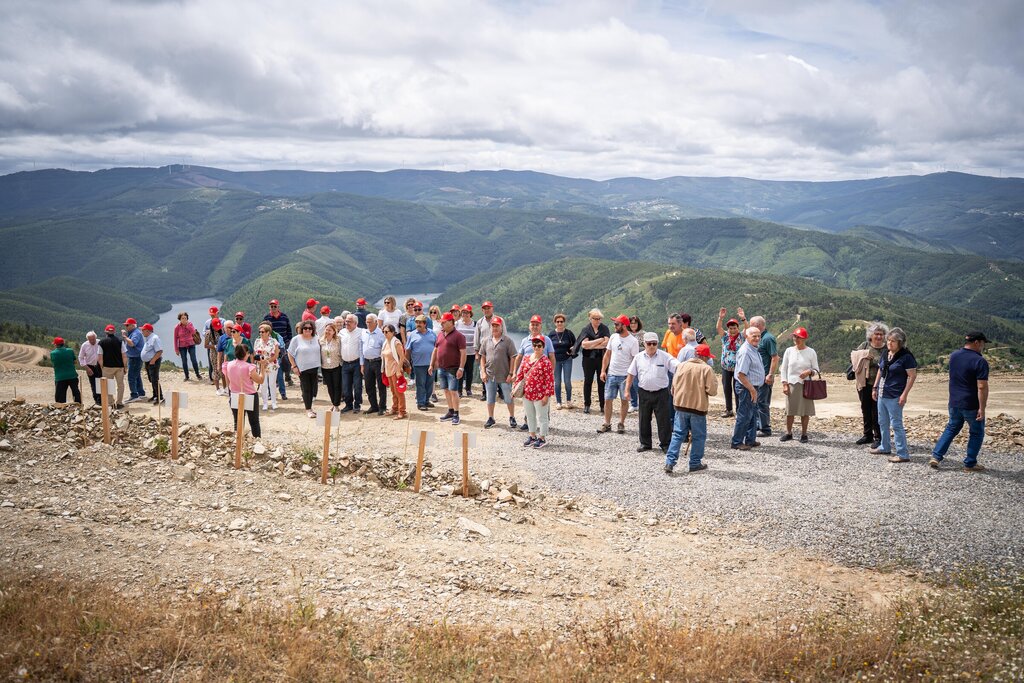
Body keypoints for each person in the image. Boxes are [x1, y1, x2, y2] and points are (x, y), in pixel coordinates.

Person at [930, 331, 990, 471]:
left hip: (954, 402)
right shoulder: (980, 361)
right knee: (976, 433)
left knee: (951, 428)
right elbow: (981, 386)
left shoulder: (954, 356)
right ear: (977, 342)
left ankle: (936, 456)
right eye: (983, 343)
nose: (983, 346)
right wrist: (982, 408)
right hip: (971, 404)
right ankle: (970, 464)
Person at [666, 343, 718, 473]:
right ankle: (694, 463)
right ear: (704, 357)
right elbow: (712, 391)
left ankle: (669, 462)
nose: (708, 360)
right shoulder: (706, 369)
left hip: (680, 406)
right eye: (708, 357)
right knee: (699, 436)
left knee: (678, 435)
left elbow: (673, 388)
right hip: (697, 408)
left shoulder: (681, 366)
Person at [625, 331, 679, 453]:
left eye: (654, 343)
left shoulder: (665, 356)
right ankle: (645, 443)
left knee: (663, 420)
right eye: (649, 343)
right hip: (644, 392)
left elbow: (676, 366)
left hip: (661, 393)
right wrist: (627, 390)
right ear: (644, 344)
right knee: (644, 419)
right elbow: (631, 373)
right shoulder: (638, 357)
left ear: (657, 344)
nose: (652, 346)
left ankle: (665, 444)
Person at [871, 327, 917, 463]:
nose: (889, 343)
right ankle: (884, 446)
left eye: (893, 341)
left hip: (895, 395)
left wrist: (904, 395)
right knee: (882, 422)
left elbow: (912, 376)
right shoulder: (886, 353)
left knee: (896, 425)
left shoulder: (906, 357)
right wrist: (875, 387)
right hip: (882, 393)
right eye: (889, 340)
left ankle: (902, 454)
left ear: (900, 343)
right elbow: (880, 370)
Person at [512, 315, 556, 430]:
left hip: (541, 378)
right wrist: (515, 372)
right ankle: (528, 423)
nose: (535, 327)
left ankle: (544, 425)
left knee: (542, 403)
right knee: (528, 401)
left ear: (541, 326)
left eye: (537, 324)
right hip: (527, 378)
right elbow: (519, 357)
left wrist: (551, 373)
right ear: (529, 326)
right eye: (533, 324)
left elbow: (552, 356)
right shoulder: (524, 341)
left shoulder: (547, 340)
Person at [598, 315, 639, 435]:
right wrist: (603, 370)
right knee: (607, 400)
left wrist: (631, 377)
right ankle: (607, 423)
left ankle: (621, 423)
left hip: (625, 376)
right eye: (614, 324)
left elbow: (635, 361)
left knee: (624, 401)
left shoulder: (633, 341)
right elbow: (607, 355)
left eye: (617, 324)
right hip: (611, 374)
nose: (614, 326)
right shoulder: (613, 337)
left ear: (624, 326)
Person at [779, 327, 820, 443]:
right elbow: (783, 369)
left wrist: (809, 371)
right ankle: (788, 433)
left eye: (799, 337)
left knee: (805, 411)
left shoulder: (811, 352)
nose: (796, 339)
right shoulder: (789, 351)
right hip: (791, 384)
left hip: (806, 385)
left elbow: (816, 370)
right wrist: (784, 384)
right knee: (789, 411)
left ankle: (804, 434)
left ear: (804, 338)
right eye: (795, 337)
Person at [850, 323, 888, 447]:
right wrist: (864, 356)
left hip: (881, 384)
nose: (879, 336)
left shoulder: (887, 349)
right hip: (864, 383)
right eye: (876, 334)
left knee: (877, 411)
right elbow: (853, 358)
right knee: (865, 409)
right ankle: (867, 435)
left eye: (881, 334)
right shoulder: (864, 345)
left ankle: (878, 437)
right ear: (871, 335)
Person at [514, 336, 555, 448]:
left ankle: (542, 438)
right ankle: (532, 436)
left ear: (543, 347)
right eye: (534, 345)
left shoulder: (546, 362)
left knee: (542, 416)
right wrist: (515, 387)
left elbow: (549, 380)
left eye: (539, 345)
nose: (536, 347)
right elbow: (521, 374)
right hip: (527, 393)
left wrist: (546, 395)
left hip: (540, 394)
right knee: (530, 415)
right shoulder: (526, 358)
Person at [478, 316, 517, 428]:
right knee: (490, 398)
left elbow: (513, 357)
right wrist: (483, 372)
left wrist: (511, 373)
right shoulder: (486, 341)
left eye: (497, 326)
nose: (494, 328)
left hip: (504, 376)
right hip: (490, 375)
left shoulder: (508, 341)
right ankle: (491, 418)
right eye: (493, 326)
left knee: (508, 398)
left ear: (501, 327)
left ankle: (512, 417)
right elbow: (482, 357)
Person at [430, 312, 467, 425]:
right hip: (441, 368)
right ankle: (450, 411)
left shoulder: (459, 336)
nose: (441, 324)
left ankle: (456, 414)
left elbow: (463, 353)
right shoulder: (440, 334)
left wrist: (461, 368)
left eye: (444, 322)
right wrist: (431, 364)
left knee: (453, 391)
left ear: (451, 322)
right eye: (441, 322)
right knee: (446, 390)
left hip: (453, 368)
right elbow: (435, 350)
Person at [732, 327, 765, 451]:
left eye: (759, 336)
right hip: (746, 387)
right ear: (747, 336)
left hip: (752, 387)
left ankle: (750, 440)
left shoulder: (753, 348)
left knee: (752, 414)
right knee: (744, 415)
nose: (757, 338)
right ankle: (737, 442)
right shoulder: (745, 351)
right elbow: (741, 374)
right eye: (754, 336)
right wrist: (752, 389)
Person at [223, 345, 264, 440]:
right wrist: (262, 366)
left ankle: (238, 441)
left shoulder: (228, 365)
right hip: (250, 394)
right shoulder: (249, 367)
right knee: (254, 422)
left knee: (238, 421)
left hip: (234, 394)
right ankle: (257, 442)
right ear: (246, 354)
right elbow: (260, 380)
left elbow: (228, 381)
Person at [573, 309, 610, 414]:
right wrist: (599, 340)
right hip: (588, 359)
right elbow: (584, 345)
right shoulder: (586, 329)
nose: (598, 321)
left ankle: (602, 406)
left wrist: (591, 344)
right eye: (595, 319)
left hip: (601, 359)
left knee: (602, 382)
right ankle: (587, 405)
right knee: (588, 381)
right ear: (590, 318)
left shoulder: (604, 328)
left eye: (599, 319)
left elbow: (606, 343)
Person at [750, 315, 779, 437]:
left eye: (751, 325)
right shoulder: (760, 338)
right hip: (757, 377)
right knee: (757, 402)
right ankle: (758, 425)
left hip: (765, 377)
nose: (750, 327)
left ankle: (765, 428)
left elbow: (775, 357)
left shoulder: (768, 338)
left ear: (758, 325)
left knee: (762, 402)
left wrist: (770, 374)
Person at [715, 308, 747, 418]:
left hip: (738, 368)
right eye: (730, 328)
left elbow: (747, 328)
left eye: (734, 328)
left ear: (738, 328)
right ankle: (729, 410)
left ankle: (738, 410)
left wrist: (743, 318)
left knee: (737, 389)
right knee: (726, 388)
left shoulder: (741, 337)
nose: (732, 330)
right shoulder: (725, 337)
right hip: (726, 367)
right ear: (728, 329)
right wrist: (720, 318)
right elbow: (718, 328)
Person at [288, 321, 322, 418]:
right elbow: (290, 353)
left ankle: (310, 408)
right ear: (301, 329)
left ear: (313, 329)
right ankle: (309, 410)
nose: (307, 330)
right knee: (306, 389)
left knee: (312, 389)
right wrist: (294, 366)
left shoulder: (317, 338)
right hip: (302, 368)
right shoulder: (296, 339)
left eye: (310, 328)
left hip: (314, 367)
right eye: (305, 328)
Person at [407, 315, 438, 411]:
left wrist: (436, 361)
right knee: (420, 384)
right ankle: (420, 403)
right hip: (418, 364)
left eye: (420, 322)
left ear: (425, 324)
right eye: (416, 322)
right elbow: (408, 350)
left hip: (431, 364)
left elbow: (437, 348)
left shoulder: (432, 333)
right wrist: (407, 363)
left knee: (429, 383)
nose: (418, 324)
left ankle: (426, 401)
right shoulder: (412, 334)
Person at [263, 299, 293, 396]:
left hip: (284, 343)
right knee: (276, 364)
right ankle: (279, 387)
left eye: (275, 306)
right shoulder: (267, 318)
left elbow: (289, 329)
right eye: (271, 306)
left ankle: (287, 376)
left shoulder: (284, 316)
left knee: (286, 362)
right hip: (270, 345)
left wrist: (289, 340)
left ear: (278, 307)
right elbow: (263, 330)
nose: (273, 308)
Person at [549, 313, 577, 409]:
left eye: (561, 321)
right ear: (555, 323)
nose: (559, 323)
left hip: (567, 359)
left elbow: (576, 344)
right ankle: (558, 402)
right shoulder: (551, 334)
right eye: (558, 322)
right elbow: (548, 347)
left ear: (564, 322)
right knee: (557, 382)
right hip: (555, 361)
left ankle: (568, 401)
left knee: (567, 381)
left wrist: (572, 350)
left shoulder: (569, 333)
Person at [338, 314, 365, 413]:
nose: (347, 323)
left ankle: (357, 405)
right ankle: (348, 405)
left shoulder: (361, 332)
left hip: (357, 363)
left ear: (355, 323)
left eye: (349, 321)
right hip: (345, 363)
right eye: (346, 321)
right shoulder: (341, 332)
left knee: (357, 386)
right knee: (346, 386)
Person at [362, 314, 387, 415]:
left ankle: (382, 407)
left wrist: (384, 365)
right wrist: (362, 364)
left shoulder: (381, 334)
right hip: (367, 362)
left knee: (381, 386)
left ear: (376, 322)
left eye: (370, 322)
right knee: (368, 385)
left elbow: (385, 349)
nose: (368, 324)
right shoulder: (364, 333)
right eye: (367, 322)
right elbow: (361, 349)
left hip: (378, 362)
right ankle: (373, 406)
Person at [381, 325, 408, 419]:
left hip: (395, 369)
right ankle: (395, 407)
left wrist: (398, 370)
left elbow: (402, 357)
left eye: (386, 332)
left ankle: (402, 411)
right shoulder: (385, 342)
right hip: (388, 370)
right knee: (393, 391)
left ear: (393, 332)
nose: (384, 333)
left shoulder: (396, 342)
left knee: (398, 392)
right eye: (383, 332)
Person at [97, 324, 127, 408]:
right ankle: (119, 403)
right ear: (114, 331)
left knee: (108, 385)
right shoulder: (120, 341)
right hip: (119, 367)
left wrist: (102, 367)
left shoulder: (101, 342)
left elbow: (100, 357)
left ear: (106, 331)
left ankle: (111, 403)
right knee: (120, 385)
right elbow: (124, 356)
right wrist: (125, 367)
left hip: (107, 367)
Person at [253, 323, 280, 411]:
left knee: (272, 384)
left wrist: (267, 361)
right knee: (263, 384)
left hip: (272, 365)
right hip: (261, 366)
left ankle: (274, 402)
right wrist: (261, 362)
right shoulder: (257, 341)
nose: (261, 333)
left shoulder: (274, 341)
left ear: (268, 332)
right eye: (260, 332)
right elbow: (255, 355)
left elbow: (276, 354)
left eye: (263, 332)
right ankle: (265, 403)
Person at [455, 305, 478, 397]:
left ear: (470, 313)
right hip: (459, 353)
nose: (465, 314)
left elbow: (477, 338)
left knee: (469, 371)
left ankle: (468, 389)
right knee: (460, 370)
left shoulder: (475, 324)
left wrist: (477, 351)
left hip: (471, 352)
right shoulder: (457, 324)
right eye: (463, 312)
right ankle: (459, 390)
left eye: (467, 312)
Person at [319, 322, 343, 411]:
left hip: (336, 366)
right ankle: (333, 403)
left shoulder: (338, 340)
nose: (327, 332)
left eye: (330, 330)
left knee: (337, 386)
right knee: (329, 386)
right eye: (326, 330)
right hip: (325, 367)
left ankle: (336, 405)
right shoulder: (321, 341)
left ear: (334, 332)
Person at [121, 318, 146, 403]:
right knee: (137, 375)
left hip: (135, 358)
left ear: (132, 325)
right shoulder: (133, 332)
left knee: (131, 377)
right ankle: (141, 393)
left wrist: (125, 337)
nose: (126, 326)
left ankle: (134, 395)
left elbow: (132, 343)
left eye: (127, 325)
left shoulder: (136, 333)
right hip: (134, 357)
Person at [51, 337, 81, 404]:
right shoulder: (70, 351)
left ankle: (61, 408)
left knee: (60, 396)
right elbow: (75, 361)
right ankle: (78, 406)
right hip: (72, 375)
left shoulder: (53, 353)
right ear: (63, 343)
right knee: (75, 392)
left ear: (56, 344)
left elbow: (54, 364)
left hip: (60, 377)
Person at [172, 312, 202, 381]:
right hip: (182, 346)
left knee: (194, 360)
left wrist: (187, 326)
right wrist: (176, 349)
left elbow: (193, 332)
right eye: (182, 318)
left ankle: (197, 374)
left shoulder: (190, 324)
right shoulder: (177, 327)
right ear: (180, 319)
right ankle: (186, 376)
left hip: (191, 344)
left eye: (185, 318)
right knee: (184, 361)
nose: (184, 320)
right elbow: (175, 339)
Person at [140, 323, 164, 404]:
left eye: (143, 330)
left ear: (147, 331)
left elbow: (159, 351)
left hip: (154, 362)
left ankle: (160, 397)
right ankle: (155, 395)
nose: (142, 332)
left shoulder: (155, 338)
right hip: (149, 362)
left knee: (154, 379)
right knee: (151, 379)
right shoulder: (149, 338)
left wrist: (153, 361)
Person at [203, 306, 226, 382]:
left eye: (213, 314)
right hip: (211, 346)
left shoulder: (223, 321)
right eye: (211, 315)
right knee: (212, 363)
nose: (212, 316)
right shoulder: (207, 322)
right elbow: (204, 332)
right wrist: (209, 335)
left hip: (221, 347)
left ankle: (224, 379)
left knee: (223, 363)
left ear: (217, 313)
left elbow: (226, 332)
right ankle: (211, 379)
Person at [78, 331, 102, 404]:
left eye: (93, 339)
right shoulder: (84, 345)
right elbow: (81, 357)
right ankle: (97, 400)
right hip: (90, 366)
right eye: (90, 340)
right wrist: (87, 368)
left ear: (96, 338)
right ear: (87, 339)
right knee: (93, 384)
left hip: (100, 365)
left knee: (102, 382)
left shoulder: (100, 343)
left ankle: (103, 399)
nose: (92, 341)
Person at [627, 316, 645, 412]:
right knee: (630, 384)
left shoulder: (644, 334)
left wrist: (636, 350)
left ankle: (643, 403)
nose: (633, 325)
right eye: (631, 323)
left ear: (638, 324)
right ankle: (634, 404)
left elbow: (648, 347)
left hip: (640, 362)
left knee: (638, 383)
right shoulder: (626, 334)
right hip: (628, 362)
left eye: (635, 323)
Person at [207, 319, 227, 395]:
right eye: (216, 327)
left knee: (223, 370)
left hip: (222, 352)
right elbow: (206, 345)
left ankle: (225, 388)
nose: (217, 328)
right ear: (212, 326)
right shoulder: (208, 333)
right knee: (216, 370)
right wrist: (214, 346)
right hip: (214, 354)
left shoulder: (222, 331)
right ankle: (218, 389)